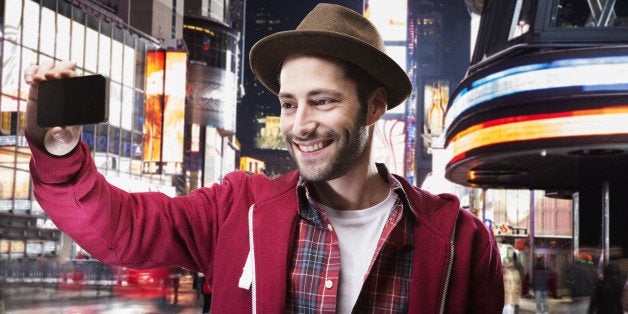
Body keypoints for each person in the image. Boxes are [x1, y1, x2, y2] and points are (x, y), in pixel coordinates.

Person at [22, 3, 503, 313]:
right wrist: (57, 147)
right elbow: (118, 229)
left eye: (324, 101)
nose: (299, 125)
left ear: (375, 106)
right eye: (289, 104)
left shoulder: (463, 242)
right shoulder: (237, 208)